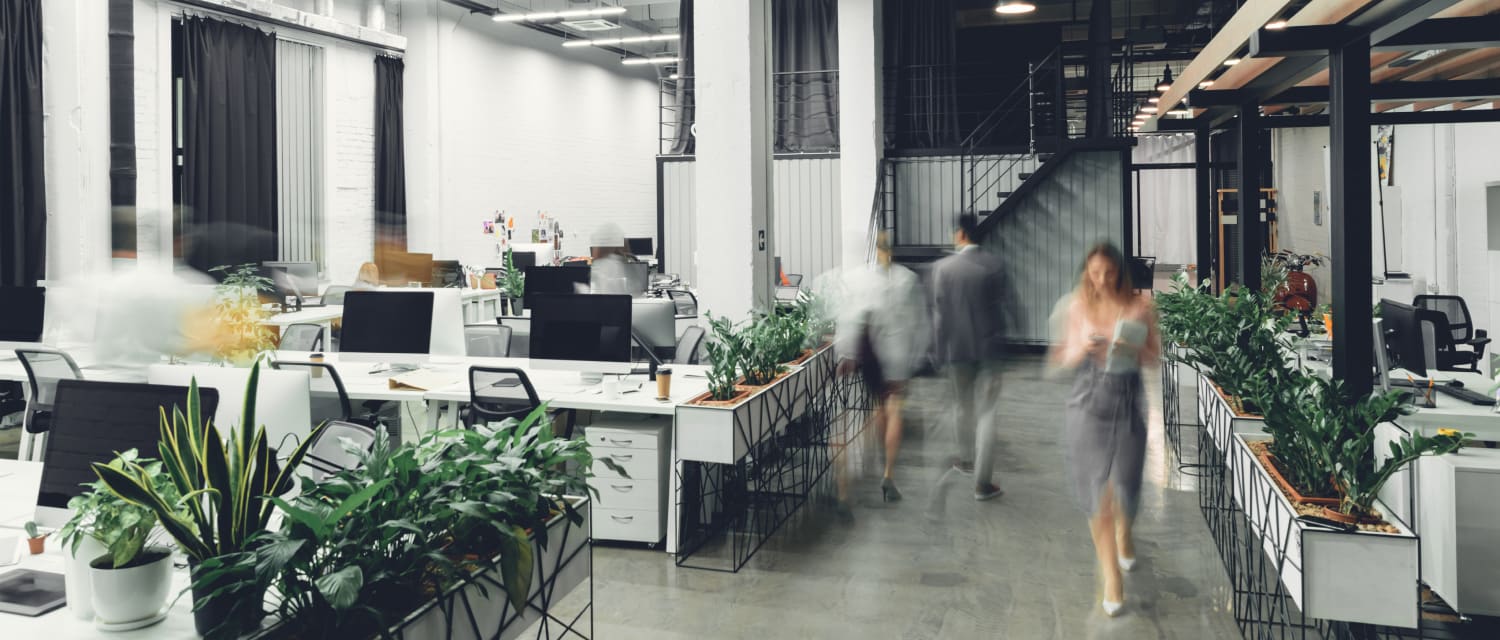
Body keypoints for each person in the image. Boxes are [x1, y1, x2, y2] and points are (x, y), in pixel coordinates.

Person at [1048, 242, 1159, 617]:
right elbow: (1060, 358)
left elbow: (1154, 357)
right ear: (1086, 272)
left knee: (1126, 485)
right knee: (1098, 493)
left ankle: (1125, 535)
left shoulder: (1140, 306)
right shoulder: (1077, 305)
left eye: (1108, 272)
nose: (1101, 280)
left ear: (1120, 272)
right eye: (1094, 272)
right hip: (1087, 400)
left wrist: (1131, 345)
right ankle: (1111, 575)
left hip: (1127, 401)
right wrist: (1083, 347)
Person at [834, 232, 929, 503]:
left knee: (877, 405)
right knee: (894, 407)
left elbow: (850, 317)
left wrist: (846, 352)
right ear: (893, 250)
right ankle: (888, 474)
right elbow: (919, 322)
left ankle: (868, 458)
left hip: (872, 355)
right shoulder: (907, 279)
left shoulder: (859, 279)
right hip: (897, 354)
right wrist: (917, 357)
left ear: (875, 250)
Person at [930, 213, 1009, 501]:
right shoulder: (994, 265)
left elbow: (940, 317)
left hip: (957, 351)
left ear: (961, 234)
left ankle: (965, 460)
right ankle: (982, 484)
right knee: (987, 413)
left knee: (962, 407)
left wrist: (939, 352)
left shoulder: (943, 268)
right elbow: (1004, 307)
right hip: (989, 350)